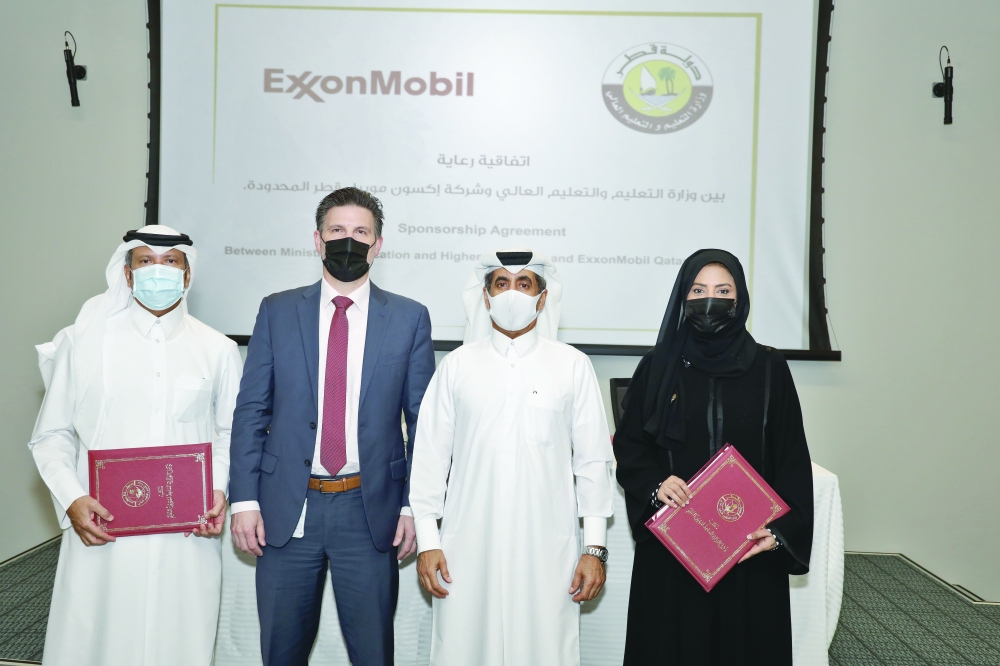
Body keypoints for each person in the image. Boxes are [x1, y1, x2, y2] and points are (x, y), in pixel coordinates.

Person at [228, 187, 435, 666]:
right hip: (286, 509)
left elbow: (423, 423)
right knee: (281, 652)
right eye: (337, 230)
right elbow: (251, 411)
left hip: (371, 510)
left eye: (361, 232)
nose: (349, 241)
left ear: (378, 245)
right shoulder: (277, 311)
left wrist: (413, 506)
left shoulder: (409, 318)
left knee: (373, 654)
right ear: (318, 240)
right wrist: (244, 500)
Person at [28, 226, 242, 666]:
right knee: (97, 643)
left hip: (187, 532)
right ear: (127, 273)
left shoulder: (217, 349)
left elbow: (230, 433)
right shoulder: (83, 342)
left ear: (187, 274)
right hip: (104, 530)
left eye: (170, 262)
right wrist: (72, 499)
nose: (157, 271)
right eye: (145, 261)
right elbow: (51, 435)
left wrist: (216, 489)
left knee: (179, 644)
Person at [409, 248, 615, 666]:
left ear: (542, 297)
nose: (512, 293)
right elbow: (430, 459)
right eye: (502, 283)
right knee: (464, 650)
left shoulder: (573, 366)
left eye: (524, 284)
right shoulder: (456, 366)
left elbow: (593, 463)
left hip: (547, 551)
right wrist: (428, 542)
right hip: (467, 549)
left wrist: (594, 549)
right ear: (486, 296)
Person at [613, 249, 814, 665]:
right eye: (698, 290)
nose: (710, 301)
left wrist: (780, 532)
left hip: (748, 551)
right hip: (675, 549)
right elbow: (630, 446)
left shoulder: (770, 367)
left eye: (723, 291)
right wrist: (655, 485)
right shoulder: (657, 367)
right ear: (682, 298)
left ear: (740, 299)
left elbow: (791, 455)